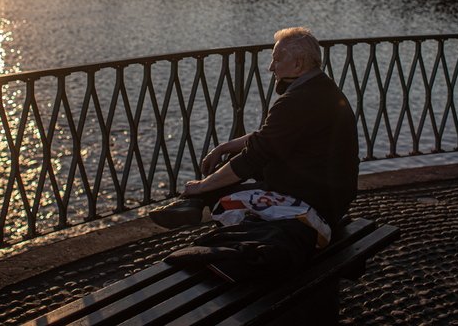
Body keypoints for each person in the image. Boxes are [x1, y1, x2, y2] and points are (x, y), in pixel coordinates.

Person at [149, 26, 359, 231]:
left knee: (231, 194)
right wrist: (224, 147)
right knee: (245, 161)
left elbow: (255, 155)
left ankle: (196, 201)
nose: (271, 67)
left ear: (298, 64)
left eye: (277, 59)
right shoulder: (323, 87)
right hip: (333, 192)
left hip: (316, 200)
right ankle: (194, 202)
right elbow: (268, 138)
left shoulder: (296, 101)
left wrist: (204, 185)